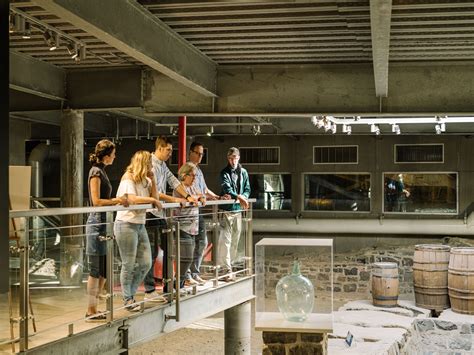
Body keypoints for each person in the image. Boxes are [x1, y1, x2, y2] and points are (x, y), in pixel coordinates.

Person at [144, 136, 197, 299]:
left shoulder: (162, 165)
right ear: (159, 148)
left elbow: (174, 182)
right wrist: (175, 199)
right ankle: (149, 290)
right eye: (168, 150)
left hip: (159, 213)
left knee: (168, 249)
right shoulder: (150, 164)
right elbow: (154, 192)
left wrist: (187, 196)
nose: (170, 154)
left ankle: (169, 286)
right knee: (151, 253)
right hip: (149, 213)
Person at [85, 139, 127, 321]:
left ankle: (94, 308)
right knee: (95, 269)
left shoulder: (100, 171)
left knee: (102, 269)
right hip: (97, 224)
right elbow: (96, 201)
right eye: (114, 154)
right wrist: (117, 201)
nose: (115, 157)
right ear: (107, 155)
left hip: (103, 224)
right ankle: (90, 310)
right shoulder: (96, 172)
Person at [114, 151, 162, 311]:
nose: (152, 166)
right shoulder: (128, 178)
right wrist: (152, 200)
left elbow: (156, 196)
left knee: (146, 262)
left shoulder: (146, 180)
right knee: (128, 264)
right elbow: (132, 199)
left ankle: (131, 294)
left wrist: (154, 180)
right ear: (143, 163)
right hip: (126, 224)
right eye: (149, 163)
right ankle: (128, 299)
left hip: (140, 224)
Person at [186, 142, 220, 285]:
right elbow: (190, 190)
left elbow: (204, 190)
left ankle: (194, 272)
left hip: (198, 211)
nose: (200, 156)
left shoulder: (199, 170)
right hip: (188, 212)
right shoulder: (187, 169)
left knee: (202, 241)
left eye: (202, 154)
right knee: (189, 244)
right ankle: (186, 275)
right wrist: (203, 196)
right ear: (191, 152)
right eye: (198, 153)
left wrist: (217, 197)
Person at [218, 147, 251, 282]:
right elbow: (227, 188)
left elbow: (247, 188)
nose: (233, 161)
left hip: (238, 210)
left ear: (238, 158)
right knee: (225, 241)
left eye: (235, 158)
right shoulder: (224, 172)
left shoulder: (243, 172)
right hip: (226, 210)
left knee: (235, 241)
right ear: (228, 159)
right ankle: (226, 269)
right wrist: (240, 197)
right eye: (231, 159)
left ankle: (229, 266)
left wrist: (243, 196)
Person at [173, 162, 206, 288]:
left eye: (195, 176)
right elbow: (188, 200)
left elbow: (200, 195)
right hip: (182, 227)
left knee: (189, 257)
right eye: (192, 175)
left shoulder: (192, 187)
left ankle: (180, 284)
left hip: (193, 228)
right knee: (185, 258)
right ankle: (178, 285)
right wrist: (194, 199)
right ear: (184, 175)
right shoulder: (180, 188)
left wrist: (201, 198)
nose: (194, 178)